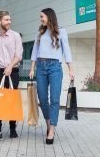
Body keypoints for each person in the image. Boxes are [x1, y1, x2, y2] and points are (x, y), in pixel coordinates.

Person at [29, 8, 74, 145]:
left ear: (49, 17)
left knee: (54, 99)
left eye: (42, 16)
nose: (40, 19)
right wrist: (32, 68)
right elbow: (35, 52)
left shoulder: (62, 32)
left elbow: (67, 50)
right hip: (41, 67)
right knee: (42, 99)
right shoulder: (39, 33)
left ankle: (52, 130)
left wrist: (71, 69)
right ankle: (48, 124)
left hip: (55, 67)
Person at [0, 10, 23, 143]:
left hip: (13, 71)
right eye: (6, 20)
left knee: (12, 100)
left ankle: (13, 128)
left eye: (10, 19)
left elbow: (18, 55)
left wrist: (9, 67)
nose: (9, 22)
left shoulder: (15, 36)